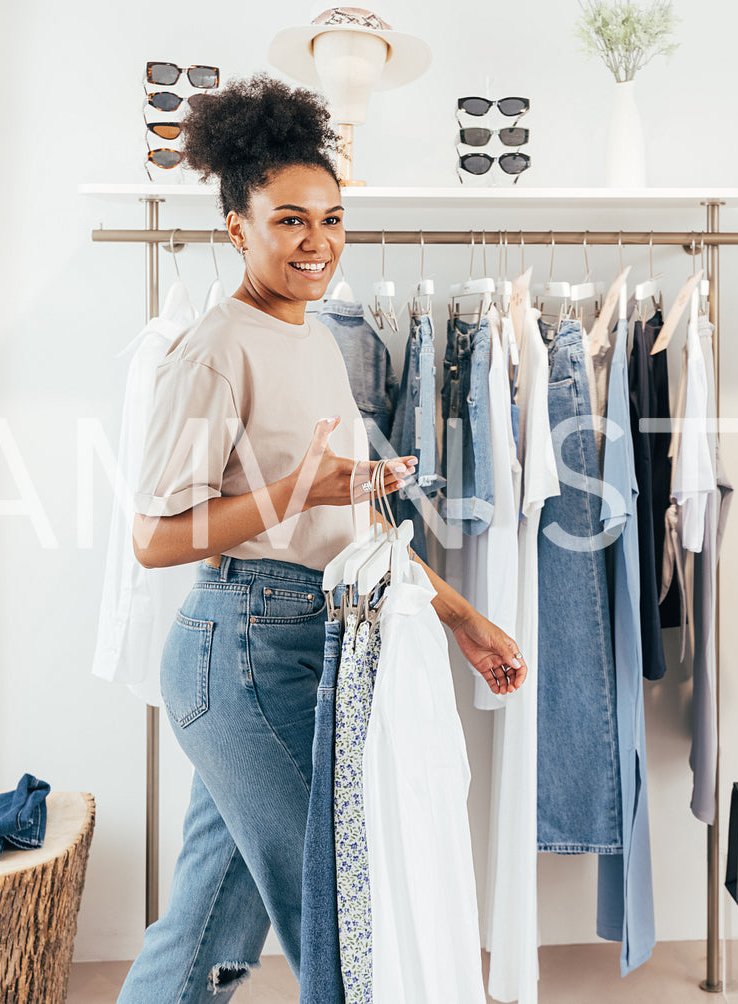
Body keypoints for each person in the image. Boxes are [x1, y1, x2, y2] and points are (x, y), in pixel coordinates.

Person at [116, 73, 525, 1002]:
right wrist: (296, 485)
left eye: (332, 219)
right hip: (245, 651)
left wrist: (460, 616)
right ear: (237, 226)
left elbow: (351, 525)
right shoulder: (214, 348)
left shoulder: (310, 339)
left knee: (206, 926)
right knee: (346, 912)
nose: (318, 242)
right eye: (289, 220)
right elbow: (154, 538)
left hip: (304, 638)